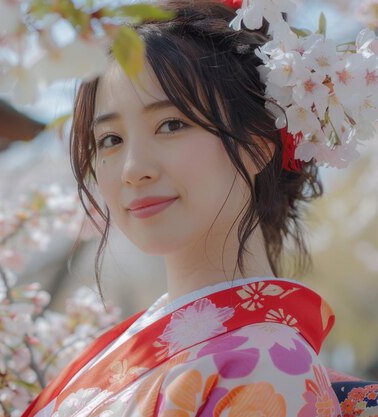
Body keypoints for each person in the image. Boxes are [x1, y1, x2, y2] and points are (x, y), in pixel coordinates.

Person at [22, 0, 343, 416]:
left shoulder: (266, 367)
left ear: (258, 144)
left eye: (171, 125)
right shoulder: (135, 343)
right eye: (110, 140)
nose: (133, 170)